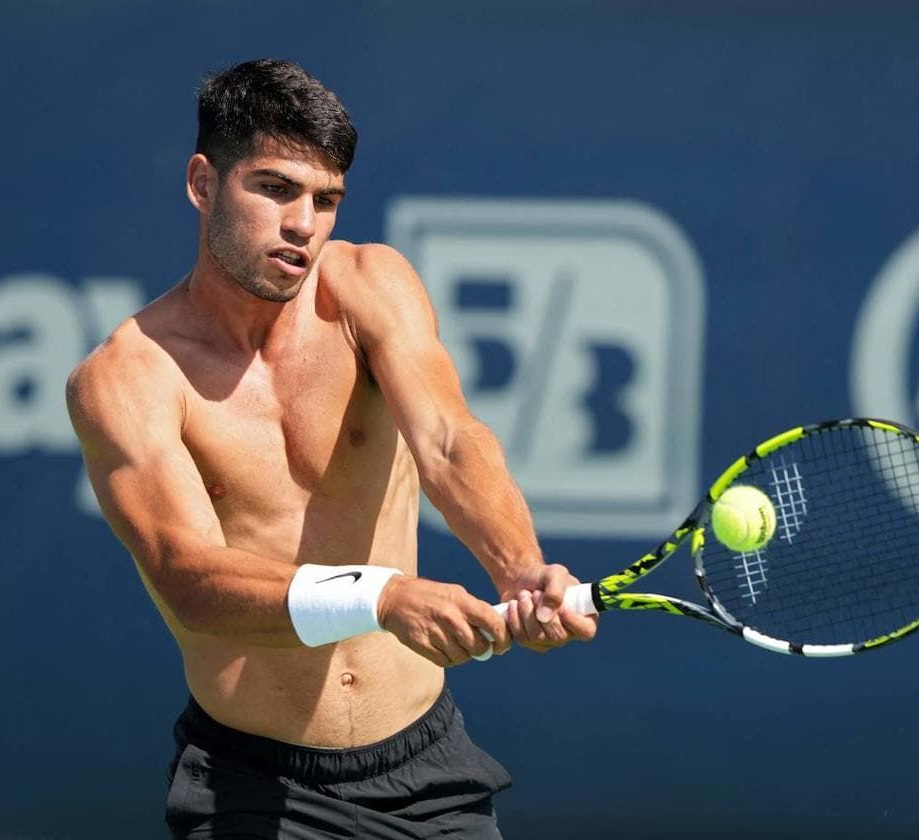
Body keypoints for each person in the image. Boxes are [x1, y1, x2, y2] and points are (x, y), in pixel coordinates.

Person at [66, 58, 597, 839]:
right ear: (202, 183)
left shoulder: (369, 286)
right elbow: (189, 579)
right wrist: (379, 597)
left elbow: (450, 440)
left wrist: (519, 567)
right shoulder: (126, 376)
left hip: (430, 770)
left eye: (325, 200)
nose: (303, 224)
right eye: (275, 189)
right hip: (254, 788)